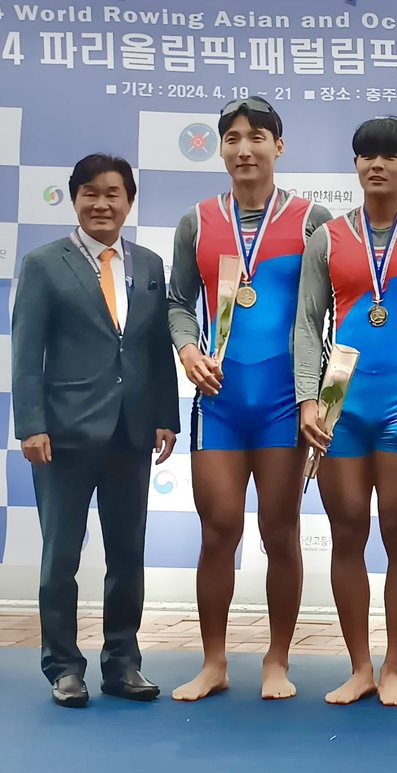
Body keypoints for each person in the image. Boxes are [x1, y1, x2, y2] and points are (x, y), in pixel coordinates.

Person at [294, 117, 397, 706]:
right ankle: (360, 667)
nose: (377, 165)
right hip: (341, 404)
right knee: (347, 535)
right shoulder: (328, 237)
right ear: (356, 164)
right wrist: (307, 397)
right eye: (366, 155)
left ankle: (394, 667)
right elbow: (306, 323)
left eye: (391, 155)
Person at [169, 97, 332, 702]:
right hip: (220, 398)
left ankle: (277, 660)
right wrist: (188, 351)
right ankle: (214, 662)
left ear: (279, 147)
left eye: (257, 137)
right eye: (232, 138)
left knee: (280, 530)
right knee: (218, 529)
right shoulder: (197, 221)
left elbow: (324, 313)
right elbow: (178, 304)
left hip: (284, 403)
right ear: (221, 148)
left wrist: (317, 395)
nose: (244, 148)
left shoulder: (313, 220)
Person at [12, 153, 179, 707]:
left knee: (127, 554)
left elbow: (156, 349)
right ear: (74, 198)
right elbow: (26, 352)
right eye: (89, 193)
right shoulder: (43, 263)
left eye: (112, 193)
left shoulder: (149, 265)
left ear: (129, 201)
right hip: (61, 436)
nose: (101, 203)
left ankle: (122, 663)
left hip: (131, 433)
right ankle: (63, 667)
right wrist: (31, 424)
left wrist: (164, 417)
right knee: (61, 556)